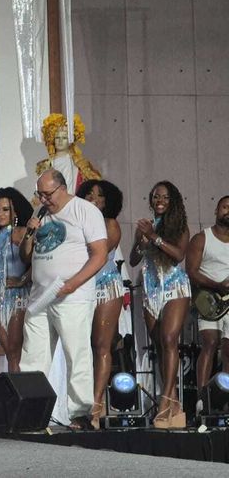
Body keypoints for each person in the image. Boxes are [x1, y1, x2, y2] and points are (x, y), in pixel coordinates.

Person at [19, 170, 108, 430]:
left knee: (76, 353)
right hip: (40, 296)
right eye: (39, 195)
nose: (43, 200)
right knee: (33, 356)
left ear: (62, 187)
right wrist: (29, 233)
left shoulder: (85, 211)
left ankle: (80, 414)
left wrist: (73, 284)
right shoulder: (40, 214)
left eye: (48, 194)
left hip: (73, 295)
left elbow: (100, 255)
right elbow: (25, 256)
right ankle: (31, 413)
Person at [129, 180, 191, 429]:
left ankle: (164, 401)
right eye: (155, 196)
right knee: (159, 346)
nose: (159, 201)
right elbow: (134, 259)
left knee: (169, 340)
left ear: (172, 200)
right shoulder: (146, 226)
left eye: (164, 197)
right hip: (151, 289)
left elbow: (178, 256)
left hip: (174, 287)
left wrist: (154, 238)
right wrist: (141, 243)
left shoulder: (179, 226)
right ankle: (175, 405)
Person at [75, 179, 124, 429]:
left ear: (108, 201)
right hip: (81, 288)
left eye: (100, 195)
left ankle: (96, 405)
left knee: (101, 345)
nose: (93, 198)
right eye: (89, 194)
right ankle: (80, 404)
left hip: (106, 286)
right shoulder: (74, 224)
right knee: (80, 346)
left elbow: (99, 254)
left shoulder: (110, 224)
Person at [0, 188, 33, 373]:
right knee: (9, 353)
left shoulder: (22, 233)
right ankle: (15, 388)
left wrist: (22, 280)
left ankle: (19, 390)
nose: (0, 214)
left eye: (5, 209)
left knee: (14, 351)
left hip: (19, 298)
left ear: (15, 212)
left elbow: (37, 262)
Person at [186, 196, 229, 406]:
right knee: (210, 343)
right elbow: (192, 271)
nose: (228, 211)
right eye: (225, 207)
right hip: (209, 301)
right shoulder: (202, 238)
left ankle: (225, 400)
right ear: (216, 210)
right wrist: (217, 285)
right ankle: (202, 401)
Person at [35, 114, 100, 194]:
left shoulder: (80, 163)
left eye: (64, 138)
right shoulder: (46, 165)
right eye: (57, 138)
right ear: (52, 139)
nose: (60, 141)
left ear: (70, 141)